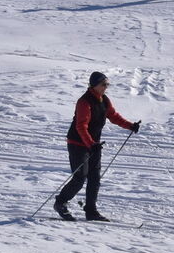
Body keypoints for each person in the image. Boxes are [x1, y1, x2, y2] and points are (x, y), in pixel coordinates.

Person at [54, 72, 141, 222]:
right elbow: (81, 126)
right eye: (103, 84)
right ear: (94, 85)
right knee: (80, 177)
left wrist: (130, 125)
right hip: (78, 144)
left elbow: (113, 116)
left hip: (93, 144)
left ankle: (91, 211)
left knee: (94, 178)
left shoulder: (104, 100)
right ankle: (60, 203)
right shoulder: (84, 102)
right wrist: (91, 144)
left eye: (107, 84)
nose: (106, 87)